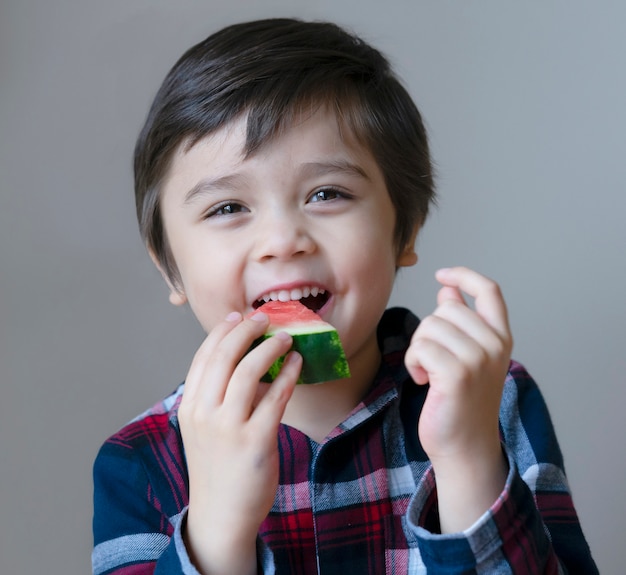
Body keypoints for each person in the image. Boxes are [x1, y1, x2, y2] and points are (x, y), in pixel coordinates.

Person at [92, 18, 598, 575]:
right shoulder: (138, 462)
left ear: (403, 233)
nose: (283, 241)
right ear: (170, 267)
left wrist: (467, 461)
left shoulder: (492, 400)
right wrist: (217, 525)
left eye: (327, 193)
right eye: (228, 208)